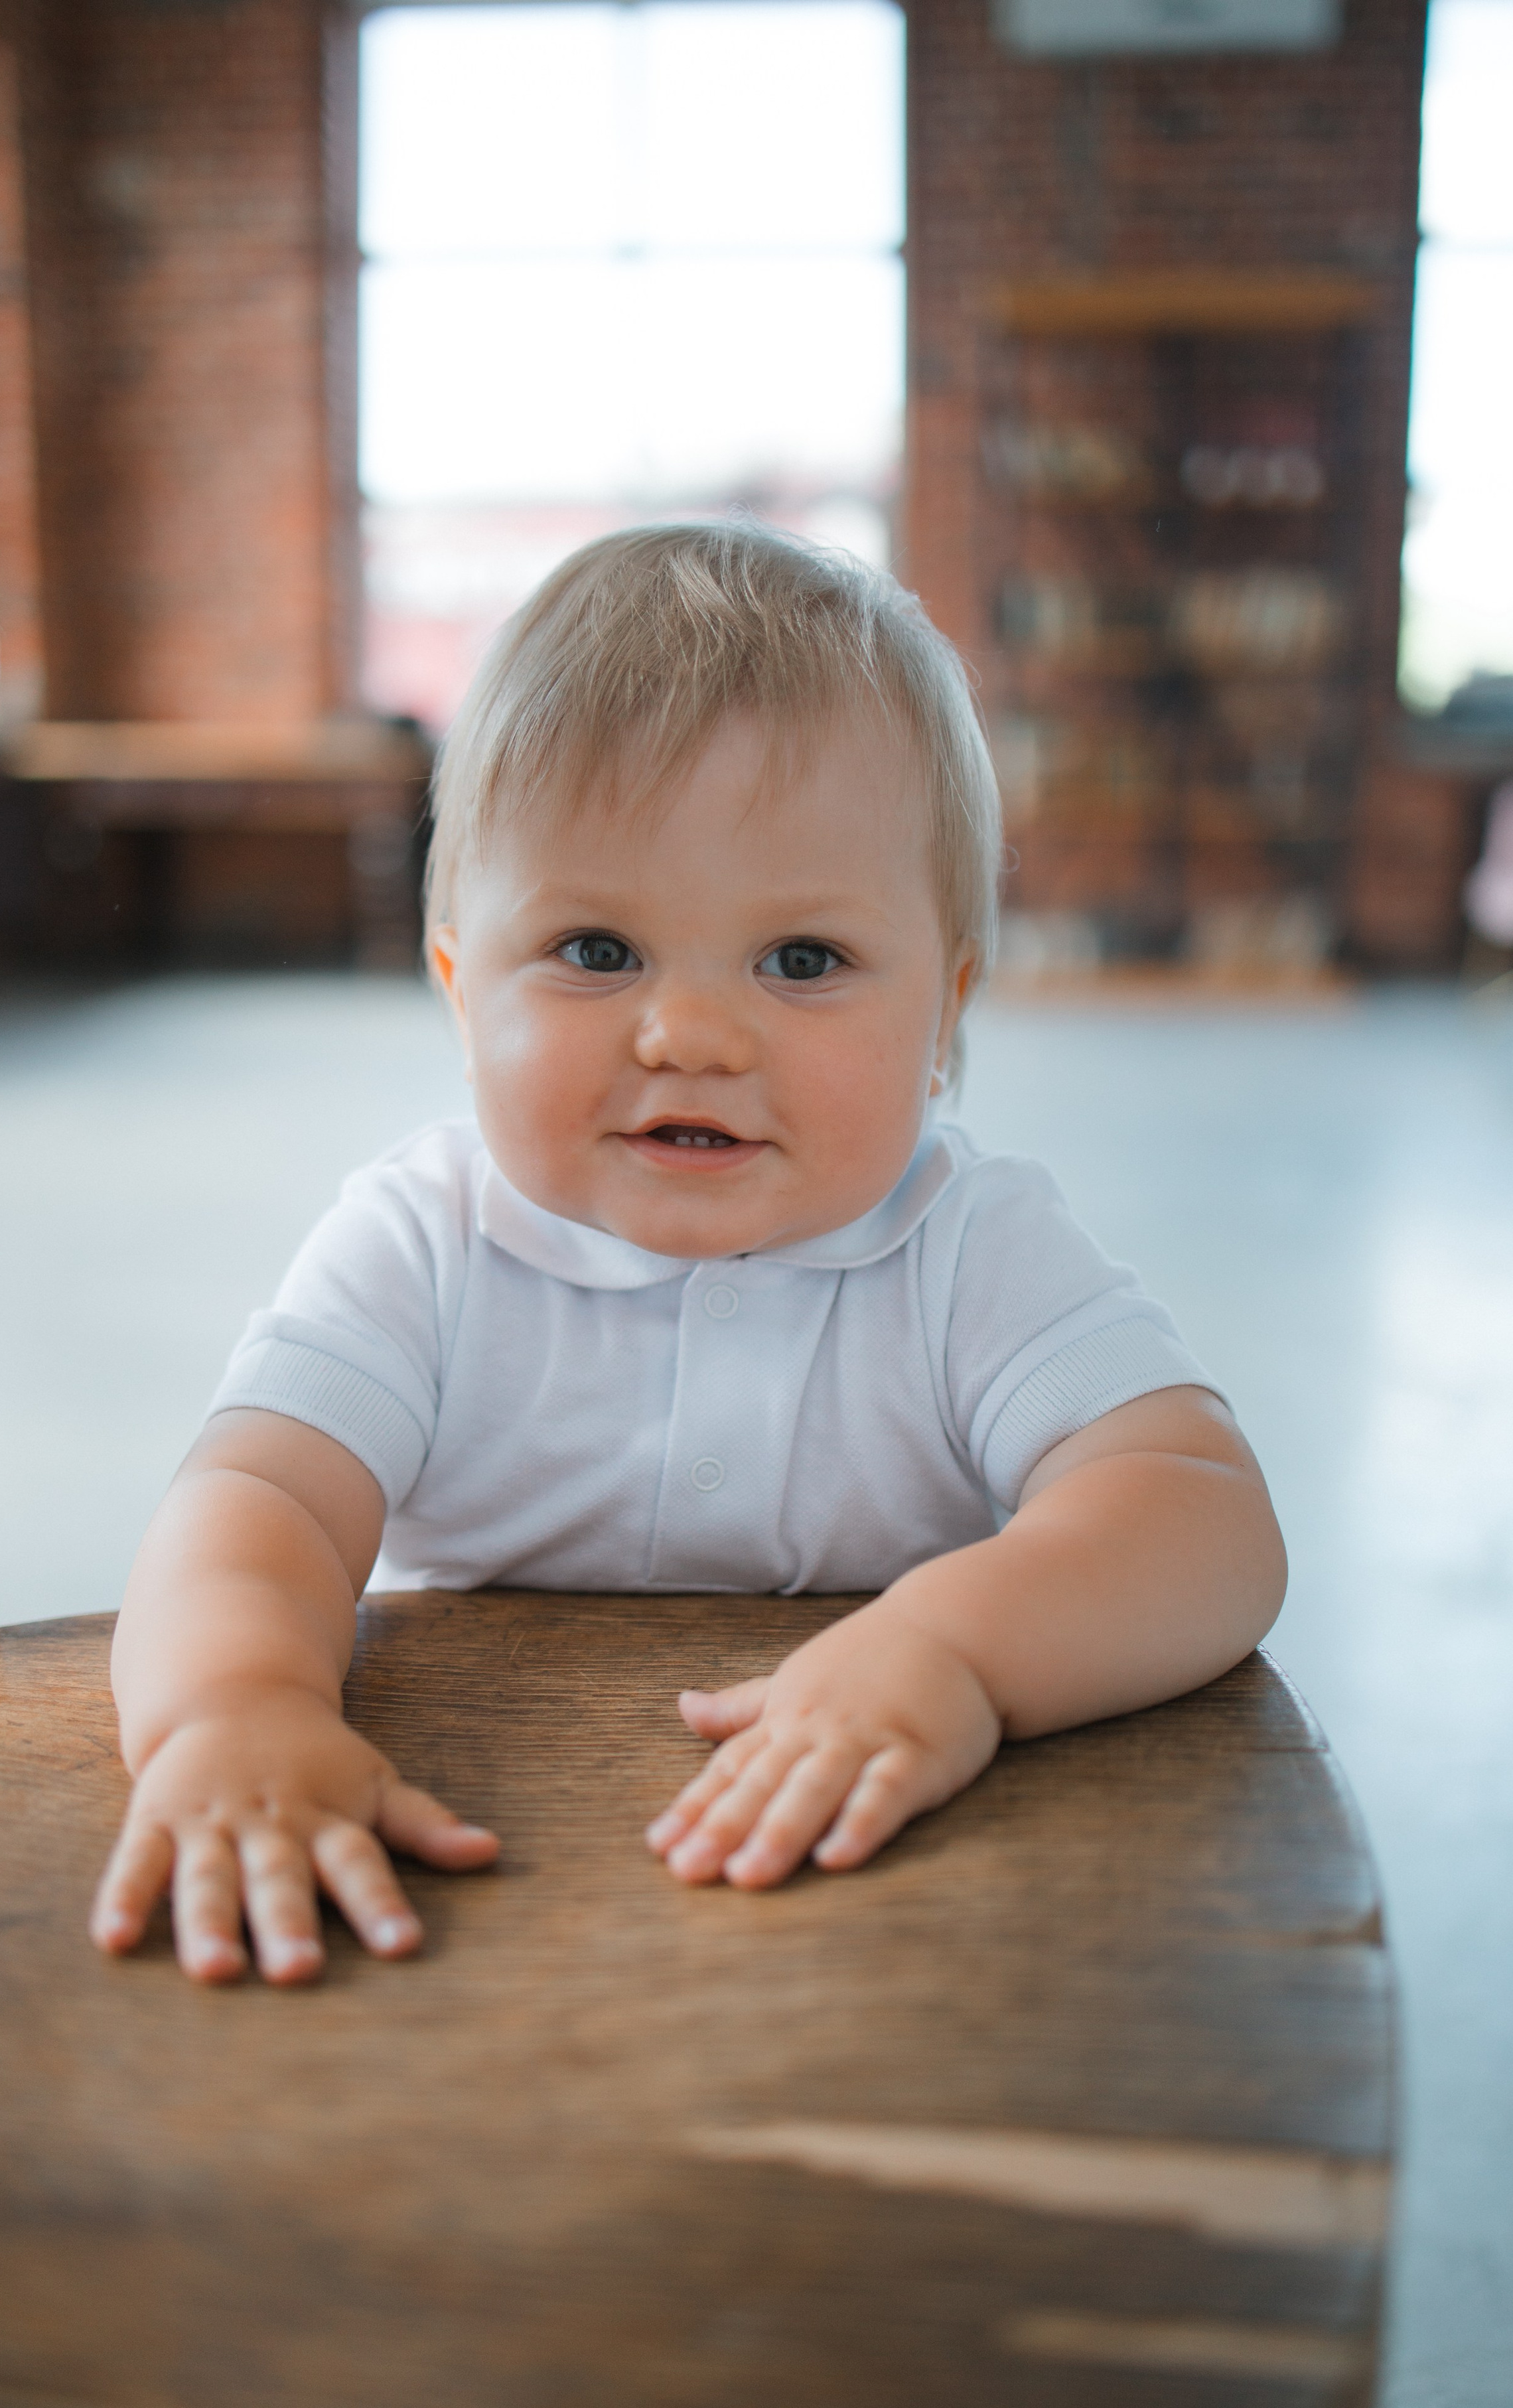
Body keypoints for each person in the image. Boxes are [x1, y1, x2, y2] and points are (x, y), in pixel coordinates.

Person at [91, 522, 1286, 1985]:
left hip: (891, 1906)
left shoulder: (966, 1244)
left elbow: (1200, 1518)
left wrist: (959, 1650)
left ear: (943, 1007)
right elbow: (255, 1501)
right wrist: (232, 1706)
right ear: (462, 991)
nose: (692, 1037)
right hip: (489, 1906)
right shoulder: (423, 1240)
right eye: (596, 950)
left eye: (801, 961)